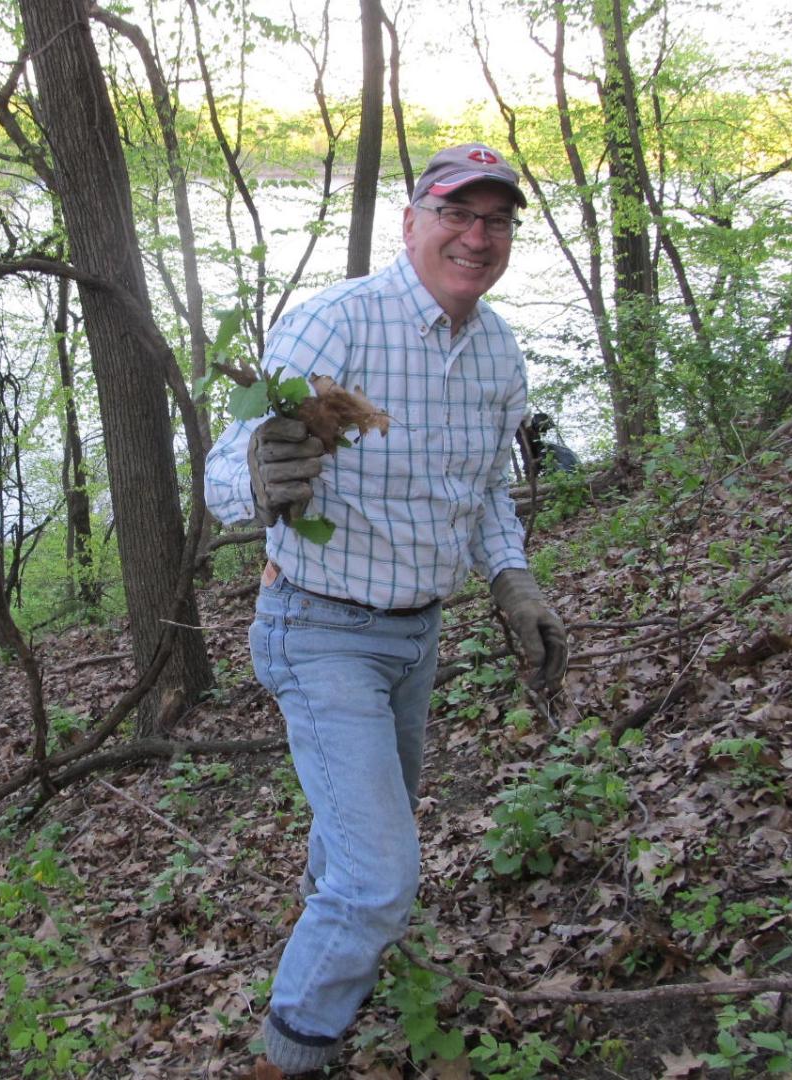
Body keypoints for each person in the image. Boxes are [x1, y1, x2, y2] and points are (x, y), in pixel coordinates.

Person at [204, 143, 568, 1076]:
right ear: (412, 221)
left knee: (358, 843)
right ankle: (289, 1052)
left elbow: (486, 491)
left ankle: (338, 951)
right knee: (378, 875)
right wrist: (255, 472)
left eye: (495, 220)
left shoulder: (496, 349)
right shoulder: (338, 322)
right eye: (456, 213)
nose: (476, 236)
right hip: (319, 627)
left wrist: (511, 580)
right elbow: (222, 469)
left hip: (417, 636)